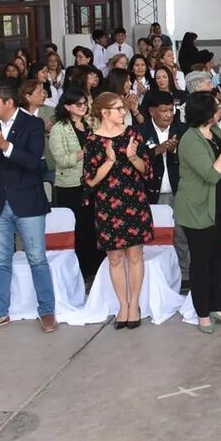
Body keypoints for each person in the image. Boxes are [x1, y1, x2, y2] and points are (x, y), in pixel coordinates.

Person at [0, 81, 56, 334]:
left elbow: (33, 162)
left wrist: (5, 146)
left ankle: (47, 311)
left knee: (37, 259)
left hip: (28, 202)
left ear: (8, 102)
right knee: (1, 261)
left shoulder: (33, 124)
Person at [173, 91, 221, 334]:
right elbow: (212, 174)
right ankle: (203, 312)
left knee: (220, 259)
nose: (220, 109)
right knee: (201, 262)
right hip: (199, 209)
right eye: (216, 107)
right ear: (205, 112)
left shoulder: (215, 132)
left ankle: (220, 307)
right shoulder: (190, 140)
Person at [84, 92, 154, 329]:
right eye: (118, 109)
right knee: (115, 258)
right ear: (104, 113)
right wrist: (110, 161)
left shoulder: (133, 134)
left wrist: (132, 157)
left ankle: (134, 304)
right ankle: (122, 305)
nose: (123, 112)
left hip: (134, 200)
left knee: (135, 256)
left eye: (123, 108)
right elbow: (91, 181)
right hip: (107, 204)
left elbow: (146, 170)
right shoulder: (93, 141)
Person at [48, 88, 103, 280]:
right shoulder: (59, 128)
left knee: (94, 227)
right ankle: (81, 272)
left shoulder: (91, 123)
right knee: (78, 229)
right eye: (79, 104)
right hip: (70, 186)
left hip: (93, 182)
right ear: (67, 106)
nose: (84, 107)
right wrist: (85, 152)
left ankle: (97, 269)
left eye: (85, 103)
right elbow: (62, 159)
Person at [138, 90, 188, 289]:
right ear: (152, 111)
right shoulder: (140, 131)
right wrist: (157, 150)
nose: (169, 114)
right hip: (151, 192)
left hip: (179, 191)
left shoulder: (182, 130)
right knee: (156, 237)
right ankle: (159, 278)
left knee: (181, 235)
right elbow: (135, 160)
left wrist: (175, 151)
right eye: (164, 110)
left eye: (171, 110)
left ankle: (184, 275)